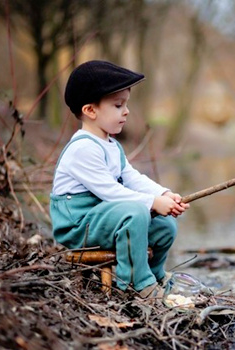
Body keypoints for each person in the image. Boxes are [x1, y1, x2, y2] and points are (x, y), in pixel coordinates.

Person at [50, 60, 189, 299]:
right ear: (90, 111)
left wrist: (163, 194)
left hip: (103, 217)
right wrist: (152, 203)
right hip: (79, 225)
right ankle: (137, 283)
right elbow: (111, 192)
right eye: (118, 105)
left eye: (126, 104)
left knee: (165, 226)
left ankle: (154, 276)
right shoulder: (83, 148)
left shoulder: (111, 145)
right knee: (135, 213)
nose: (126, 111)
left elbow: (132, 177)